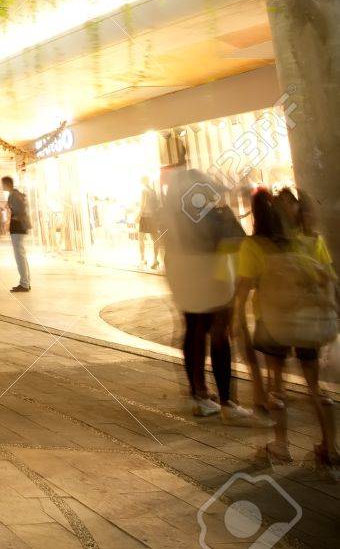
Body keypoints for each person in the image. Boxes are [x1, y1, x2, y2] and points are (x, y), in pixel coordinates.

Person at [235, 188, 338, 468]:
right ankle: (330, 447)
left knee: (276, 386)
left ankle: (281, 446)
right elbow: (328, 277)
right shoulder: (307, 242)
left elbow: (244, 288)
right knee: (315, 387)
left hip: (272, 323)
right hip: (308, 321)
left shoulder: (255, 245)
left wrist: (238, 321)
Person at [161, 169, 256, 424]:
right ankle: (226, 401)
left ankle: (199, 394)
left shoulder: (174, 215)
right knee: (218, 333)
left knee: (193, 328)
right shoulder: (213, 213)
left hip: (182, 273)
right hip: (211, 273)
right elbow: (237, 239)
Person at [2, 177, 32, 292]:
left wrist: (17, 217)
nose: (2, 186)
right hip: (18, 227)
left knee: (19, 255)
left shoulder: (14, 195)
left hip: (18, 227)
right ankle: (26, 281)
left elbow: (21, 209)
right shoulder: (15, 194)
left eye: (3, 184)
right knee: (21, 254)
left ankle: (24, 283)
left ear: (7, 184)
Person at [137, 176, 162, 270]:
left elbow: (143, 205)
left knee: (141, 238)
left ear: (142, 181)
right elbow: (157, 204)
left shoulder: (144, 190)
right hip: (153, 217)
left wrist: (138, 215)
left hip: (145, 216)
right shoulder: (153, 191)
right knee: (155, 239)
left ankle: (142, 259)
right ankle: (155, 259)